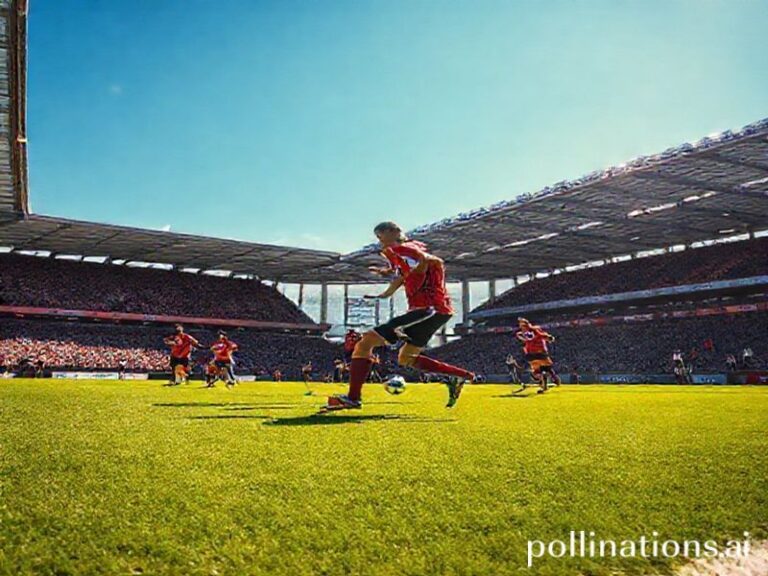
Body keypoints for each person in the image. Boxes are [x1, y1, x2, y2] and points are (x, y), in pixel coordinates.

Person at [321, 221, 474, 412]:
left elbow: (430, 262)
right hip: (432, 310)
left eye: (380, 236)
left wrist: (420, 266)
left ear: (393, 232)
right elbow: (402, 276)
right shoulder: (401, 253)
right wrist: (384, 291)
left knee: (364, 343)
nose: (380, 242)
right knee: (407, 358)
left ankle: (353, 398)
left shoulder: (403, 249)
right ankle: (461, 376)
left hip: (428, 309)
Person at [516, 318, 556, 394]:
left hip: (531, 354)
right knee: (547, 366)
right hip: (540, 353)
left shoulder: (524, 332)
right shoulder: (534, 329)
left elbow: (522, 337)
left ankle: (542, 380)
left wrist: (520, 336)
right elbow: (541, 335)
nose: (521, 327)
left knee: (536, 370)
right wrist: (549, 337)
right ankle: (544, 381)